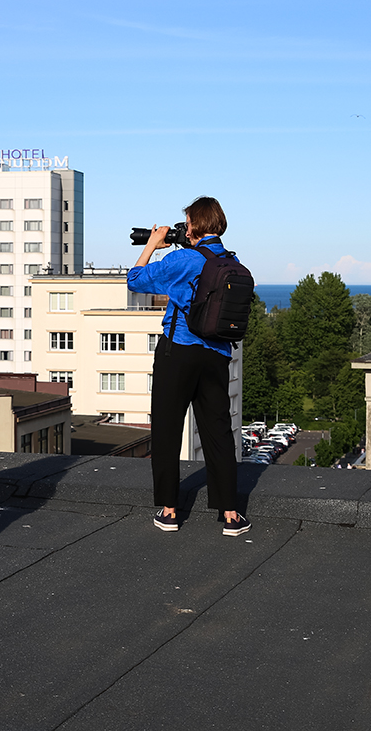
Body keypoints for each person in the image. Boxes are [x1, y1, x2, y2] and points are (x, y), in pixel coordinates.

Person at [127, 196, 250, 536]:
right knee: (218, 430)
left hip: (178, 350)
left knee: (168, 427)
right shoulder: (231, 261)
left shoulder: (184, 258)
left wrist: (152, 245)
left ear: (193, 225)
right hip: (218, 354)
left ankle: (169, 510)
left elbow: (135, 280)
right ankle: (230, 514)